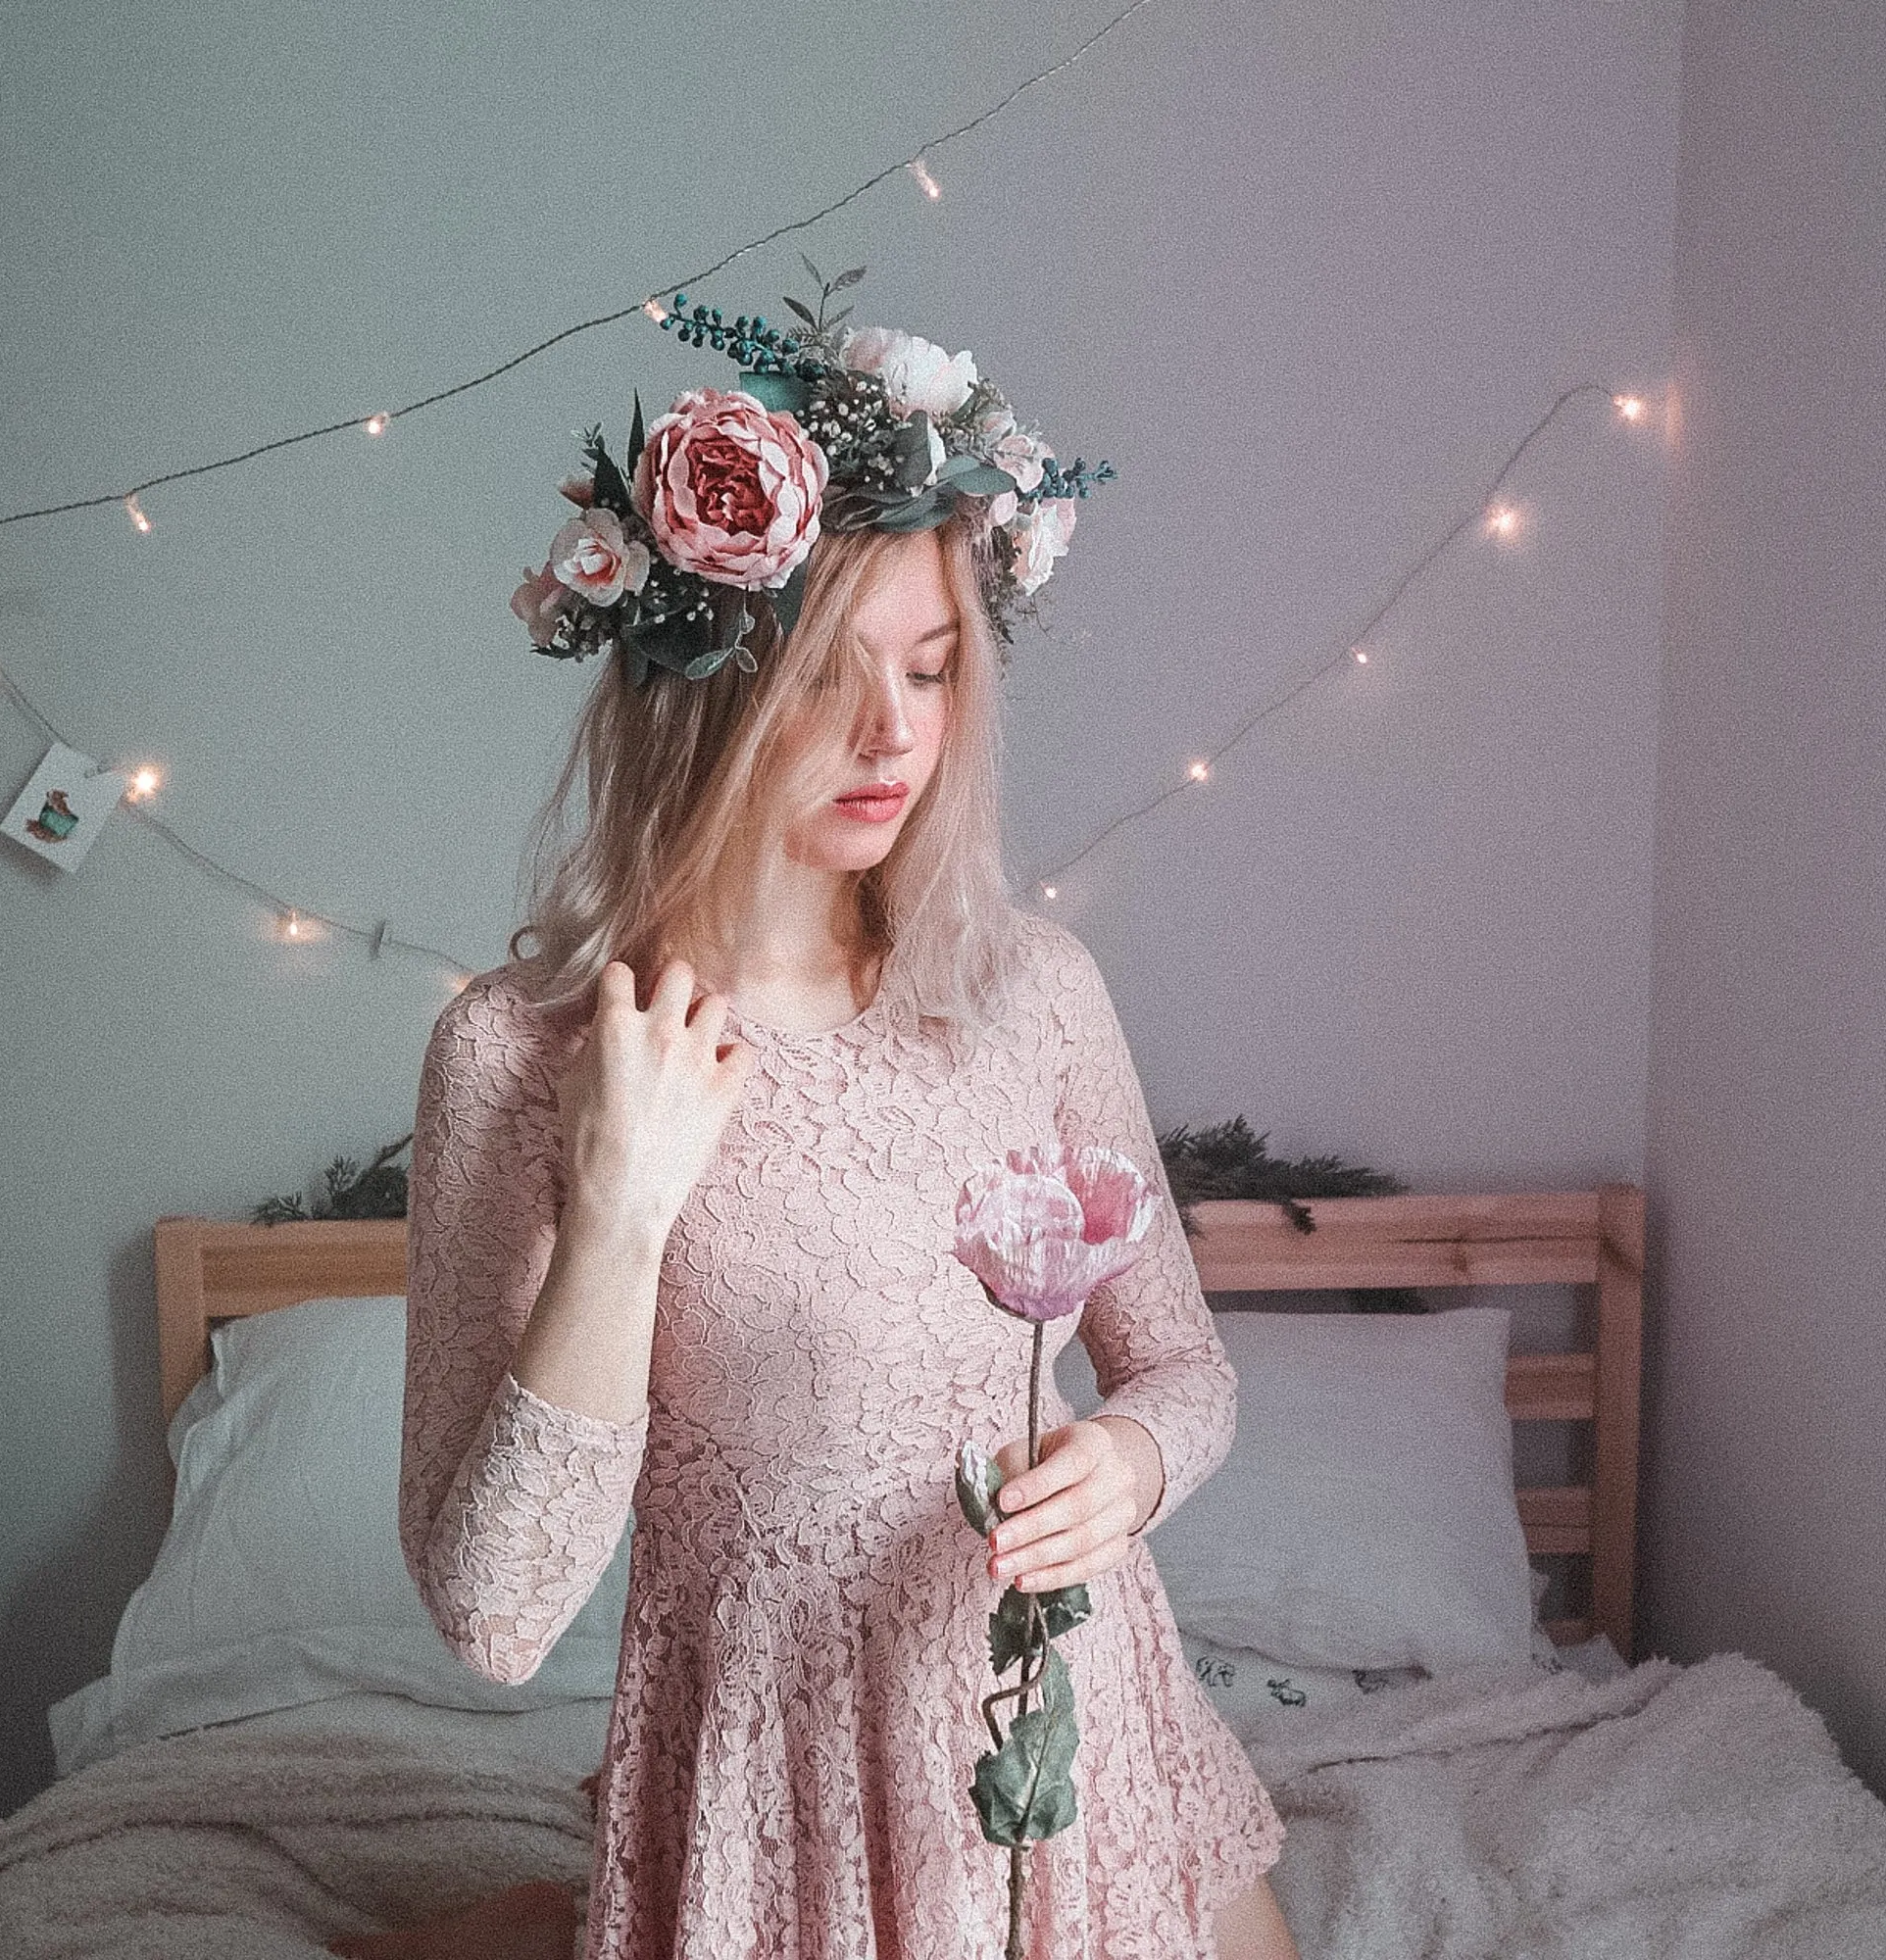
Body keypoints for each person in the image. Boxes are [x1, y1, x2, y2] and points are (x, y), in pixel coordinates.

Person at [353, 294, 1295, 1960]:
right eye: (828, 675)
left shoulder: (1036, 994)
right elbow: (494, 1618)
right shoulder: (519, 1057)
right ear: (698, 686)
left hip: (1065, 1750)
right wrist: (625, 1209)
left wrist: (1126, 1469)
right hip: (780, 1795)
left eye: (932, 670)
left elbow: (1185, 1373)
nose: (895, 735)